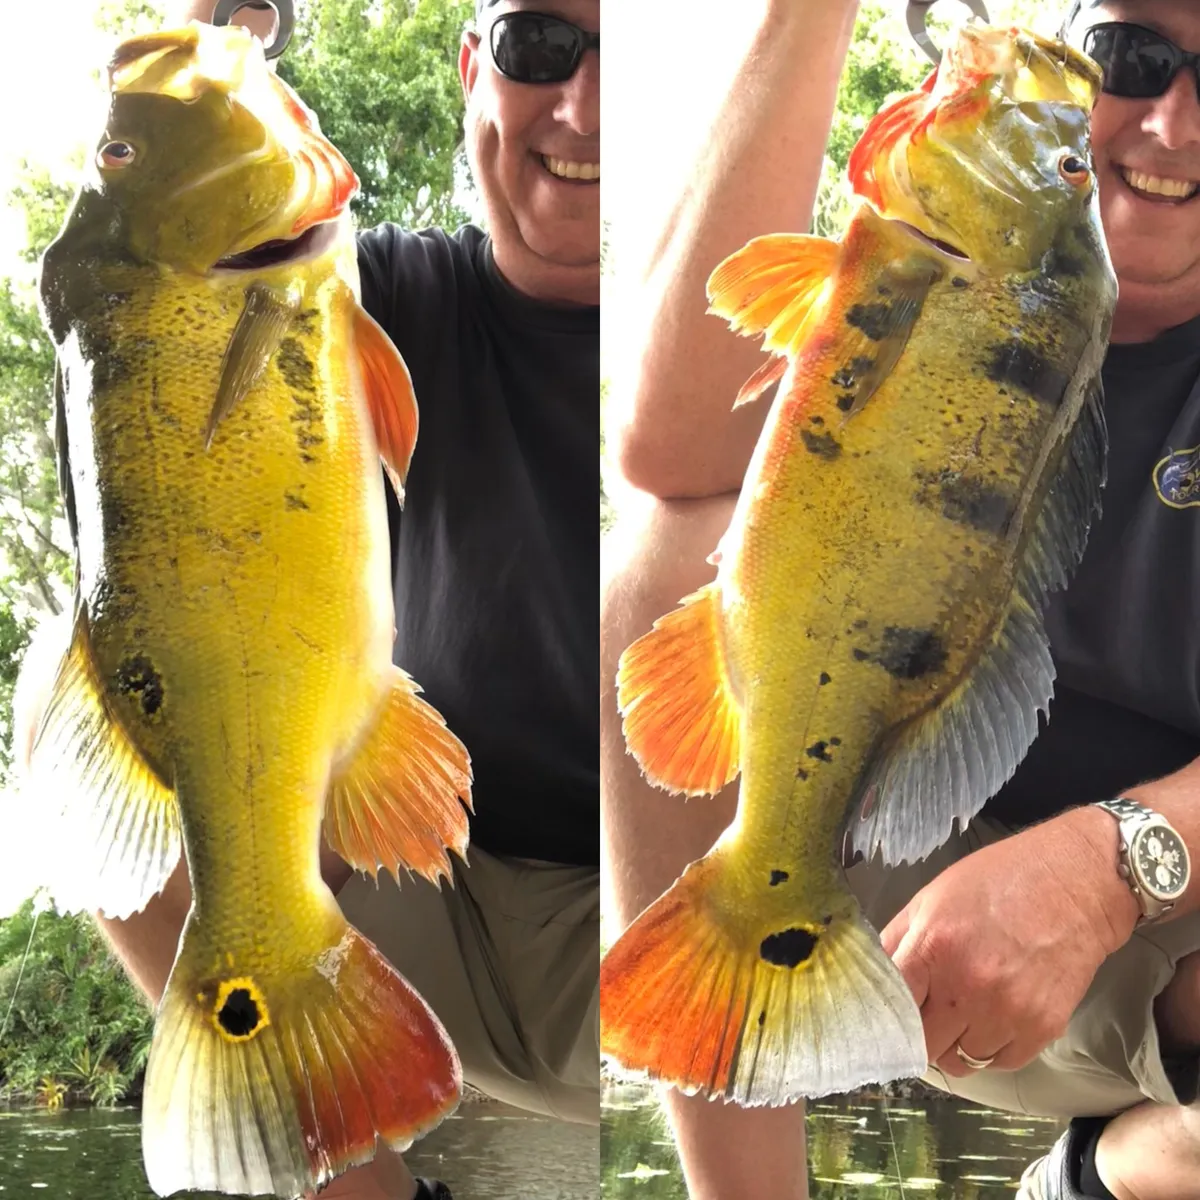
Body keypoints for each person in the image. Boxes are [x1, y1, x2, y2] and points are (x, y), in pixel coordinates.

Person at [601, 2, 1200, 1198]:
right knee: (667, 554)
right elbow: (663, 452)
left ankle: (1115, 1172)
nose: (1176, 123)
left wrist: (1106, 866)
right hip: (872, 871)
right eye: (1135, 61)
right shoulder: (896, 272)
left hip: (1148, 946)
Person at [89, 2, 601, 1199]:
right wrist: (207, 39)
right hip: (421, 886)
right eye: (541, 47)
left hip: (634, 945)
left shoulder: (730, 336)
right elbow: (144, 246)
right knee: (142, 782)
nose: (584, 105)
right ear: (477, 70)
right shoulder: (356, 295)